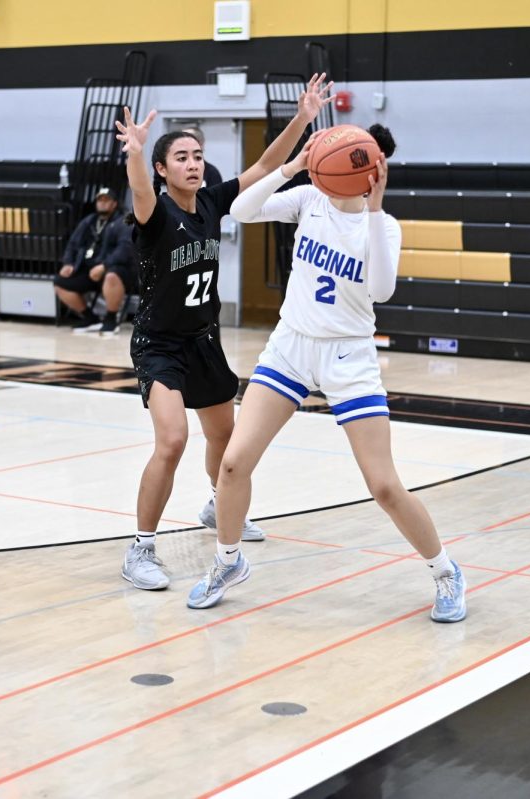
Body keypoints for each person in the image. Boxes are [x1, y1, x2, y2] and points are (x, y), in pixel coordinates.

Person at [187, 125, 467, 620]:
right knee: (232, 464)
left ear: (371, 174)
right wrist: (292, 167)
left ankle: (446, 571)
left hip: (349, 357)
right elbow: (238, 210)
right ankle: (228, 561)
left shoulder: (385, 226)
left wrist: (377, 209)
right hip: (291, 346)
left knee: (382, 485)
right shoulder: (307, 198)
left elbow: (381, 291)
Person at [114, 73, 334, 592]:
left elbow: (262, 169)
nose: (193, 163)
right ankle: (140, 548)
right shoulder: (154, 212)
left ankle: (218, 506)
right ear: (165, 169)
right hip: (160, 344)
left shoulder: (211, 203)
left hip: (203, 341)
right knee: (172, 441)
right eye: (182, 157)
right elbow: (140, 189)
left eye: (197, 155)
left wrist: (302, 122)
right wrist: (136, 155)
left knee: (225, 438)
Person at [53, 187, 132, 334]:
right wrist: (68, 263)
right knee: (59, 282)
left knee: (111, 276)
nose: (102, 203)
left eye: (106, 200)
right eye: (99, 200)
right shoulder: (89, 221)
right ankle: (90, 318)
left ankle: (111, 319)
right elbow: (73, 244)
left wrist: (104, 266)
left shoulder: (123, 221)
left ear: (114, 204)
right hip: (90, 268)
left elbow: (125, 250)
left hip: (117, 269)